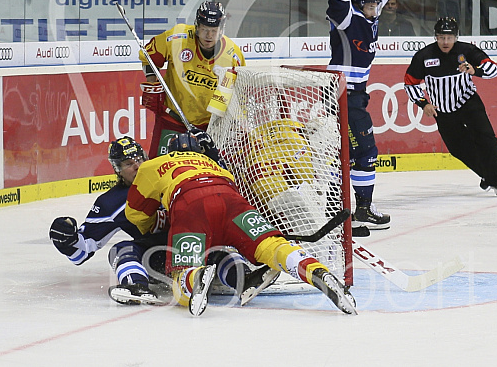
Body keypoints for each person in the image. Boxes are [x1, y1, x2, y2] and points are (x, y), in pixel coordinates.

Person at [124, 131, 357, 316]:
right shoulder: (213, 164)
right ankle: (316, 270)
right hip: (232, 200)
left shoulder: (153, 165)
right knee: (271, 246)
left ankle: (196, 276)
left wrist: (157, 226)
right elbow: (224, 200)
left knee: (181, 282)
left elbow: (135, 214)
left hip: (191, 205)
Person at [49, 136, 278, 306]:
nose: (137, 166)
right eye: (128, 164)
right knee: (121, 249)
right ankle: (136, 285)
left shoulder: (166, 177)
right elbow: (81, 252)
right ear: (117, 169)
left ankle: (244, 280)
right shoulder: (111, 202)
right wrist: (66, 239)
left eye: (139, 159)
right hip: (160, 258)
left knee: (219, 246)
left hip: (194, 244)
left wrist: (214, 158)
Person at [326, 0, 410, 233]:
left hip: (355, 94)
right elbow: (340, 4)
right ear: (359, 4)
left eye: (376, 6)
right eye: (371, 5)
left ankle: (342, 211)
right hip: (342, 95)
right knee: (364, 152)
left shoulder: (368, 15)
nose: (377, 9)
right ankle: (357, 210)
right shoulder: (348, 19)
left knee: (347, 153)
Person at [403, 17, 497, 197]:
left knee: (486, 138)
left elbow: (493, 69)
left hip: (468, 102)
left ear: (456, 37)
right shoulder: (424, 56)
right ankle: (488, 174)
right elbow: (410, 83)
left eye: (449, 37)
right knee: (458, 148)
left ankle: (496, 180)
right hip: (443, 110)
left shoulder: (467, 50)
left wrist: (475, 70)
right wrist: (423, 103)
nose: (445, 42)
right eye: (441, 37)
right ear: (435, 37)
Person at [139, 1, 245, 158]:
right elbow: (149, 58)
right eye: (204, 30)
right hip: (171, 119)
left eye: (214, 31)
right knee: (159, 168)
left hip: (209, 129)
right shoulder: (176, 38)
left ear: (222, 30)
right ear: (197, 26)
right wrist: (153, 82)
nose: (209, 36)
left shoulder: (232, 55)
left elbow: (237, 92)